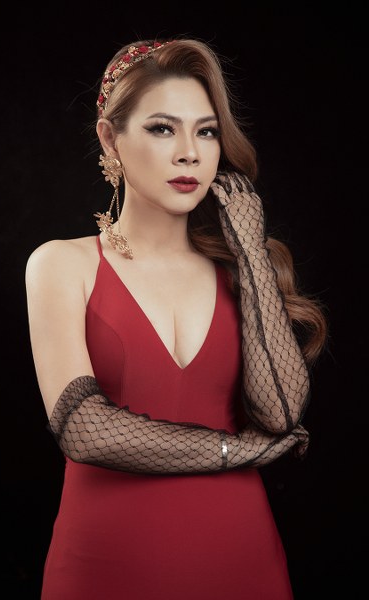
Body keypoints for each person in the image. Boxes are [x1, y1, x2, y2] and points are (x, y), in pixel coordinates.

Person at [25, 36, 327, 600]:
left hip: (242, 558)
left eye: (206, 132)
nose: (190, 153)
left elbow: (281, 413)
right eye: (163, 128)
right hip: (103, 563)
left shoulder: (238, 271)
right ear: (109, 138)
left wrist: (251, 252)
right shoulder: (62, 264)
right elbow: (84, 429)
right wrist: (238, 451)